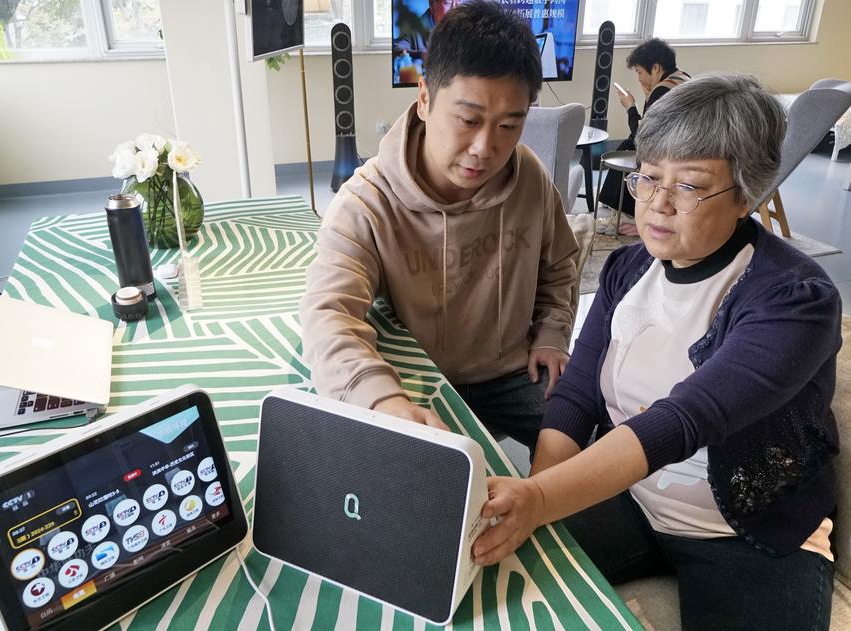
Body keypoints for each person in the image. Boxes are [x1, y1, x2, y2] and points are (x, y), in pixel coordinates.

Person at [472, 74, 841, 630]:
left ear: (746, 194)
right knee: (482, 575)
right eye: (648, 178)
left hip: (748, 539)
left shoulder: (795, 299)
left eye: (690, 186)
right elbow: (577, 394)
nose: (657, 205)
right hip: (632, 501)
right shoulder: (629, 268)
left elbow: (686, 418)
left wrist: (541, 501)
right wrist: (539, 493)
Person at [301, 0, 579, 451]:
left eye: (510, 125)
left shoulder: (528, 175)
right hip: (417, 377)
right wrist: (382, 399)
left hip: (513, 372)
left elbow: (560, 264)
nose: (485, 148)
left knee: (588, 448)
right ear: (425, 99)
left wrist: (552, 333)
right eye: (468, 120)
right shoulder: (366, 202)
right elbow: (328, 315)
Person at [599, 38, 690, 235]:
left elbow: (642, 135)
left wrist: (630, 106)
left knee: (628, 146)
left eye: (640, 72)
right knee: (627, 143)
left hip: (671, 153)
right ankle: (619, 206)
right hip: (685, 146)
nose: (639, 77)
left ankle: (628, 214)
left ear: (656, 68)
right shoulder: (682, 78)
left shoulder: (662, 91)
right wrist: (648, 97)